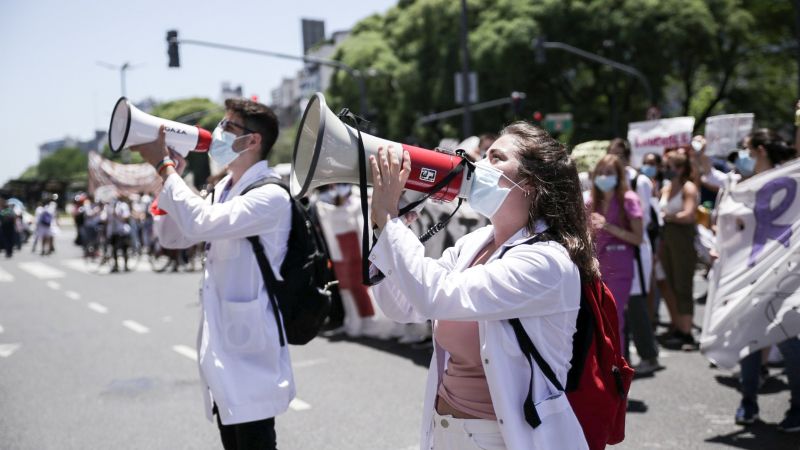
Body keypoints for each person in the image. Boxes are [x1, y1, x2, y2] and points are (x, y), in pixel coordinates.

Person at [369, 122, 594, 449]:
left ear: (529, 183)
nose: (476, 165)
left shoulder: (547, 261)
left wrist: (390, 223)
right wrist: (383, 230)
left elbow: (437, 294)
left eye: (496, 158)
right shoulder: (475, 242)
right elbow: (403, 306)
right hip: (446, 429)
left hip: (506, 438)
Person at [131, 98, 290, 449]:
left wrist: (164, 166)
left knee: (254, 442)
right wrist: (168, 179)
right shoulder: (222, 188)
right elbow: (173, 236)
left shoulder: (271, 194)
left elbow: (201, 221)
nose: (218, 133)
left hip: (251, 346)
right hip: (221, 340)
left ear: (252, 141)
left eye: (229, 127)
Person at [733, 128, 799, 432]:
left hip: (784, 271)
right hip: (750, 270)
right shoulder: (743, 184)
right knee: (748, 338)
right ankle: (748, 402)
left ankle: (797, 408)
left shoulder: (790, 180)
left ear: (760, 150)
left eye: (747, 149)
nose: (743, 155)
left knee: (786, 340)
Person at [606, 139, 661, 375]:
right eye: (611, 154)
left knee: (635, 304)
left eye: (619, 155)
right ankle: (623, 357)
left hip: (634, 251)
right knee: (618, 307)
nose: (615, 159)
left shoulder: (640, 182)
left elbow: (644, 219)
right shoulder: (609, 180)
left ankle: (648, 354)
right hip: (613, 252)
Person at [587, 154, 644, 350]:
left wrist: (608, 227)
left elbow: (638, 238)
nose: (604, 177)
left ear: (619, 175)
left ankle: (616, 366)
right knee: (596, 320)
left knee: (614, 318)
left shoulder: (629, 200)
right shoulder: (591, 201)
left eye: (609, 173)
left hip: (620, 268)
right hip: (596, 267)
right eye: (600, 173)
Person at [657, 150, 698, 350]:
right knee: (671, 284)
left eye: (670, 166)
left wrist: (669, 217)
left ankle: (686, 332)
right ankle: (678, 326)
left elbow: (689, 215)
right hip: (667, 240)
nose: (666, 170)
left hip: (682, 239)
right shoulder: (666, 187)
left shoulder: (688, 187)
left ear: (681, 168)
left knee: (683, 285)